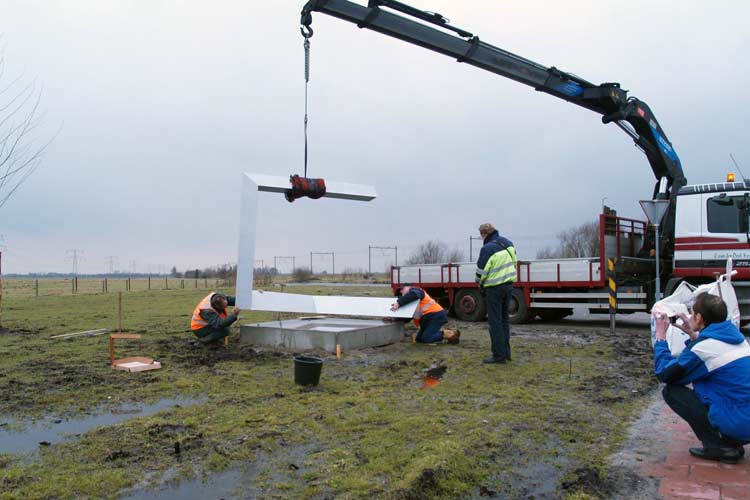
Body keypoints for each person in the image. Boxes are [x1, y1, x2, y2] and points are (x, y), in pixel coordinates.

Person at [653, 292, 750, 463]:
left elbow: (666, 374)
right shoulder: (738, 339)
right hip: (744, 420)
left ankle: (719, 447)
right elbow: (712, 353)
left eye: (692, 313)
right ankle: (731, 442)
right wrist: (693, 336)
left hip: (738, 425)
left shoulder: (703, 349)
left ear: (699, 318)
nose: (689, 316)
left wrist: (660, 338)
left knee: (672, 392)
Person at [475, 222, 517, 364]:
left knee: (495, 323)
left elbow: (480, 271)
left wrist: (479, 284)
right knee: (505, 321)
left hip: (494, 288)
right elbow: (514, 262)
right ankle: (506, 353)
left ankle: (498, 356)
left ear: (484, 234)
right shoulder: (508, 243)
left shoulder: (487, 248)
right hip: (509, 286)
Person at [390, 284, 460, 344]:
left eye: (401, 290)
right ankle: (448, 332)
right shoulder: (410, 300)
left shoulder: (416, 290)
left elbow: (414, 295)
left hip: (436, 316)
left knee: (427, 338)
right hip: (427, 319)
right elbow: (408, 318)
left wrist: (399, 303)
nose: (401, 293)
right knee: (419, 339)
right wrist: (394, 319)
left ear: (406, 288)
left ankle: (448, 333)